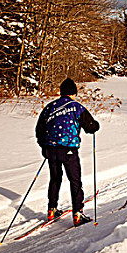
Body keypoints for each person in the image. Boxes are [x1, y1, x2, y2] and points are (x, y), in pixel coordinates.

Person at [35, 78, 100, 227]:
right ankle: (78, 214)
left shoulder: (49, 107)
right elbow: (90, 127)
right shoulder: (77, 107)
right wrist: (95, 126)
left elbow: (39, 130)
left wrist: (44, 147)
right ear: (73, 93)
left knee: (55, 179)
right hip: (69, 150)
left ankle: (52, 209)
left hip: (51, 149)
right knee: (75, 181)